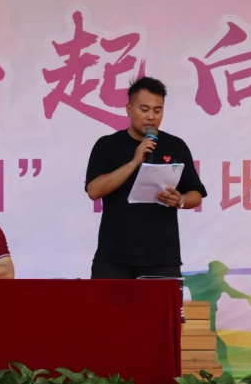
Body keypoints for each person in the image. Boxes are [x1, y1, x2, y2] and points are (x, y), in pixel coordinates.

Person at [85, 76, 207, 279]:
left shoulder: (176, 146)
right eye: (144, 109)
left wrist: (180, 200)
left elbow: (196, 194)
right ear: (129, 109)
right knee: (106, 302)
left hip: (162, 258)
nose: (151, 116)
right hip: (114, 258)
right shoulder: (107, 145)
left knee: (162, 302)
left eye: (157, 110)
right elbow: (94, 191)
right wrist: (134, 162)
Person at [184, 261, 251, 369]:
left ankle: (222, 363)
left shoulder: (206, 280)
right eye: (221, 274)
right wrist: (248, 297)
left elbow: (233, 293)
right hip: (198, 314)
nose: (222, 276)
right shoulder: (214, 282)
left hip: (203, 314)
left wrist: (248, 297)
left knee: (206, 337)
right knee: (208, 338)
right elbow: (179, 281)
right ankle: (224, 363)